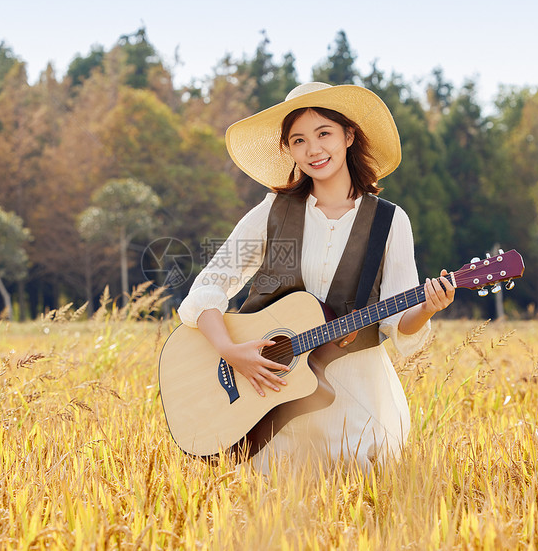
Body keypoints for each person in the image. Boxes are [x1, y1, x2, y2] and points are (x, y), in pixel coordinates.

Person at [177, 82, 455, 472]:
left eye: (324, 133)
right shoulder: (274, 210)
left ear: (348, 136)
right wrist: (229, 349)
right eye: (299, 140)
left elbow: (398, 323)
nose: (313, 149)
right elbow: (211, 282)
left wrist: (426, 308)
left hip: (354, 395)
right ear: (289, 150)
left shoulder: (389, 222)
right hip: (272, 396)